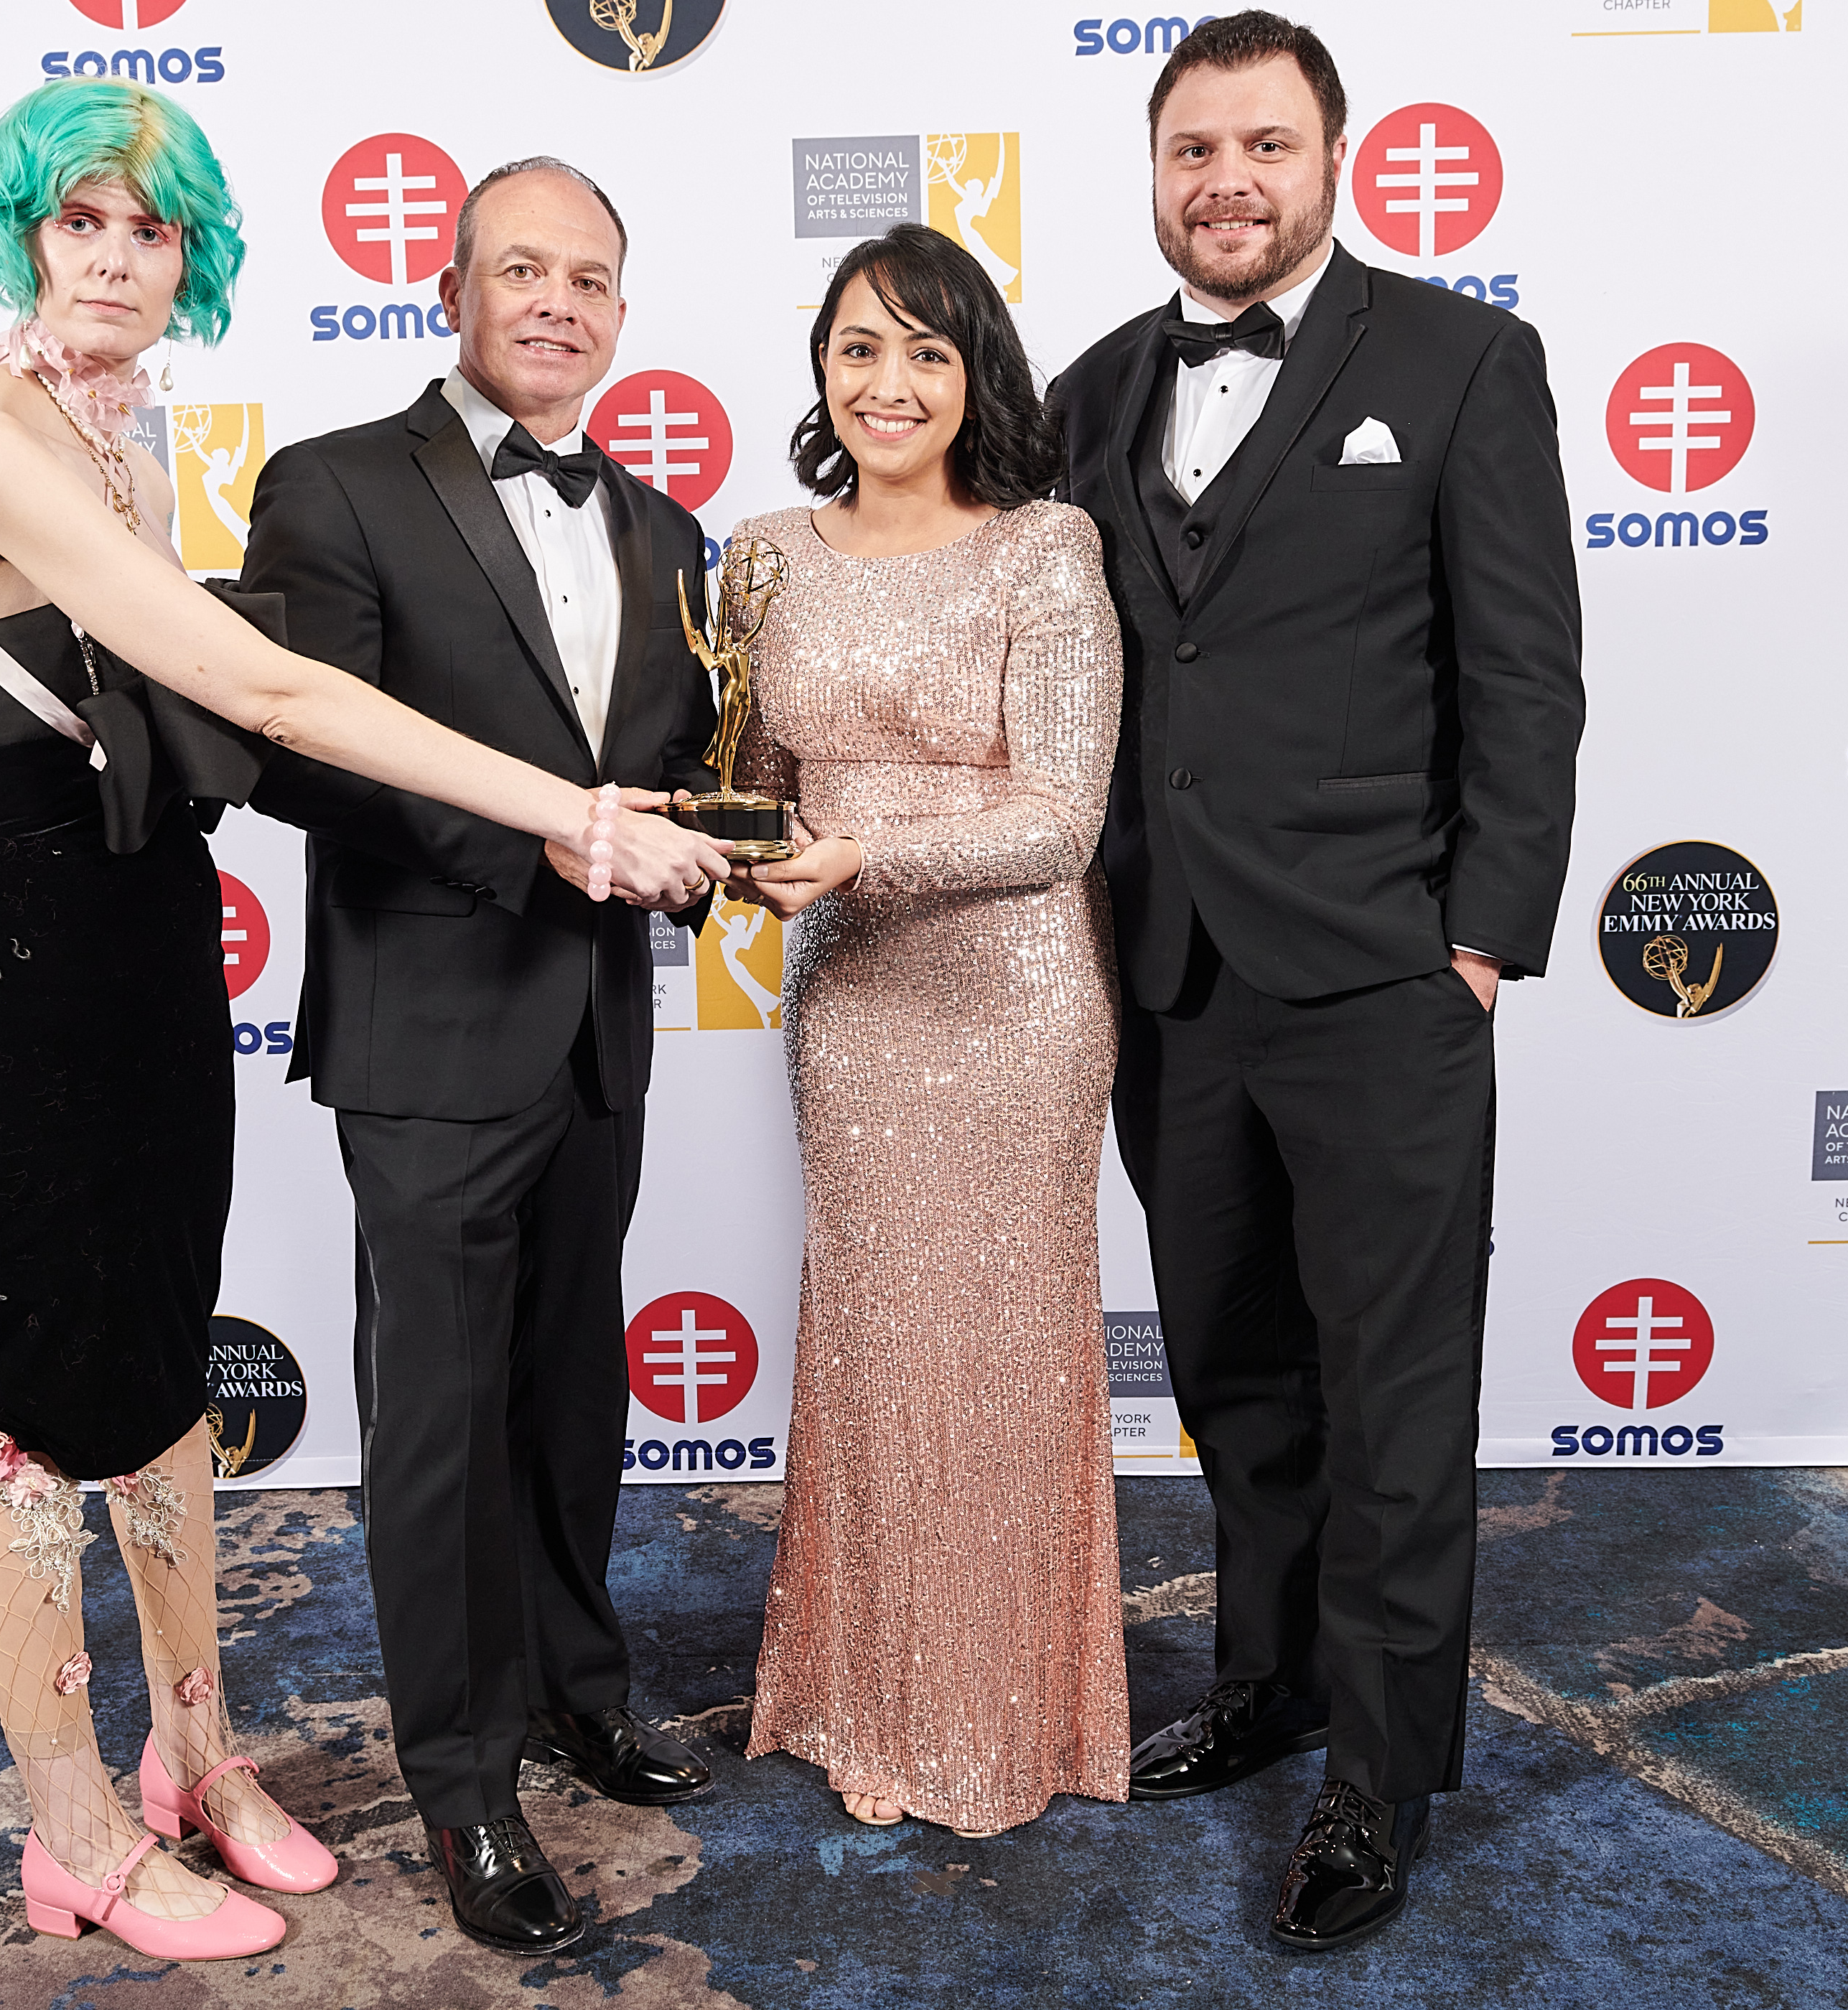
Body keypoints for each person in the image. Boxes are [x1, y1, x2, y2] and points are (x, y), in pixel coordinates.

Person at [0, 85, 724, 1968]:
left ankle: (193, 1763)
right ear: (19, 231)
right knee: (38, 1403)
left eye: (153, 229)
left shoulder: (123, 440)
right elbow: (266, 696)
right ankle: (75, 1832)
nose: (117, 258)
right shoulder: (0, 440)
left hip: (149, 926)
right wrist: (570, 817)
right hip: (26, 953)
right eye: (82, 221)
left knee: (164, 1376)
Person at [1045, 12, 1583, 1950]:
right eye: (1195, 148)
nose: (1228, 183)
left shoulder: (1462, 361)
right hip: (1170, 974)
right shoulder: (1093, 388)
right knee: (1234, 1369)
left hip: (1381, 976)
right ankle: (1268, 1682)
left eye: (1265, 145)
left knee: (1395, 1392)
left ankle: (1379, 1769)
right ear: (1156, 170)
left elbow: (1524, 671)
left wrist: (1482, 937)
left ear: (1333, 159)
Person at [235, 156, 722, 1960]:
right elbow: (305, 752)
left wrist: (729, 836)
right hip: (430, 1028)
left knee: (571, 1387)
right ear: (451, 290)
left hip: (596, 1028)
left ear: (621, 312)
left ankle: (580, 1688)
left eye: (588, 278)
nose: (556, 303)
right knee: (439, 1420)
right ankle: (460, 1776)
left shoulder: (667, 531)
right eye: (521, 269)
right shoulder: (337, 483)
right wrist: (545, 847)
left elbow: (671, 769)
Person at [730, 223, 1129, 1839]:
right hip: (853, 1004)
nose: (887, 383)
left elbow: (1062, 818)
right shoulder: (761, 554)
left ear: (978, 377)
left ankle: (999, 1722)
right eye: (858, 348)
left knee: (1004, 1355)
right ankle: (865, 1694)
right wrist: (720, 846)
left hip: (1017, 1001)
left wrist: (864, 854)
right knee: (878, 1346)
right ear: (821, 368)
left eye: (927, 351)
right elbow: (748, 783)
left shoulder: (1045, 548)